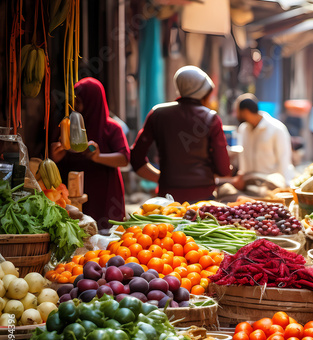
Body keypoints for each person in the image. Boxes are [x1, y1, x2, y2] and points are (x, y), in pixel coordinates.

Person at [130, 66, 232, 203]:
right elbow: (224, 169)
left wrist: (162, 177)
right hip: (203, 197)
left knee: (169, 225)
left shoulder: (158, 114)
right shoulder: (211, 118)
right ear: (203, 92)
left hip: (168, 196)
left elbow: (136, 159)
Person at [50, 77, 130, 231]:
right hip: (73, 195)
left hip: (104, 194)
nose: (76, 108)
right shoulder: (66, 127)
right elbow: (52, 160)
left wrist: (98, 157)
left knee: (106, 239)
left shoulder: (111, 128)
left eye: (80, 102)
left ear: (94, 102)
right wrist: (55, 158)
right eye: (74, 102)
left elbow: (124, 158)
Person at [235, 93, 294, 185]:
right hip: (249, 183)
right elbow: (243, 157)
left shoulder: (277, 129)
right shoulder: (243, 129)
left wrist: (285, 185)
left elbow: (284, 159)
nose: (236, 115)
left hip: (271, 183)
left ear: (245, 112)